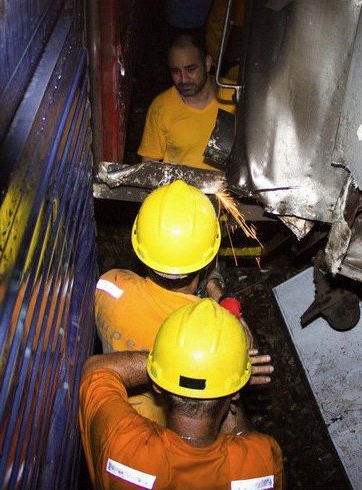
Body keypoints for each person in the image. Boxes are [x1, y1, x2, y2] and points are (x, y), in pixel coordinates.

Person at [79, 299, 282, 489]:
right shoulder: (262, 461)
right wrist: (229, 371)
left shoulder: (121, 444)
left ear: (157, 385)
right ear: (236, 392)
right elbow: (241, 441)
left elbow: (97, 369)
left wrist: (171, 362)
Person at [94, 180, 249, 425]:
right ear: (208, 257)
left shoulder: (109, 285)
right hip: (165, 428)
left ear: (139, 244)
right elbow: (242, 342)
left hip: (116, 415)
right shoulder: (201, 331)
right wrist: (219, 294)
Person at [137, 34, 235, 171]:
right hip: (181, 190)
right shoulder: (161, 106)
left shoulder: (235, 96)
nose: (183, 79)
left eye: (190, 69)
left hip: (227, 190)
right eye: (176, 71)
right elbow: (148, 164)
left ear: (207, 63)